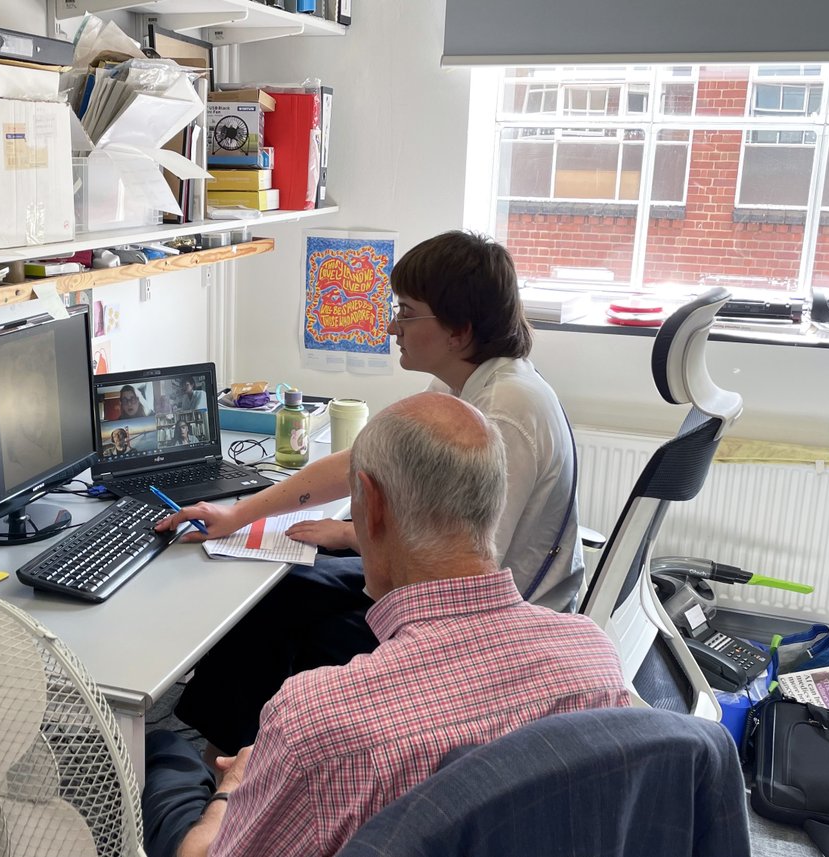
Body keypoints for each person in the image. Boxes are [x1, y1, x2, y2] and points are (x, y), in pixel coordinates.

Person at [141, 393, 628, 857]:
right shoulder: (596, 658)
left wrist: (231, 789)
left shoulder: (312, 719)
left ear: (371, 507)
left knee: (163, 752)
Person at [157, 230, 582, 755]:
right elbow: (366, 456)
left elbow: (469, 562)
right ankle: (227, 749)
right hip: (445, 580)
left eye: (407, 313)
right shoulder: (463, 382)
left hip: (490, 620)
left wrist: (349, 535)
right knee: (286, 589)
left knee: (308, 625)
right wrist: (239, 514)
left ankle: (258, 757)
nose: (391, 326)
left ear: (459, 331)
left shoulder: (506, 412)